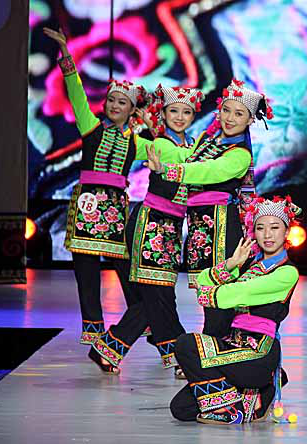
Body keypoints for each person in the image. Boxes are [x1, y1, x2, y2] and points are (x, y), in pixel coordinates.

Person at [43, 28, 195, 347]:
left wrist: (152, 126)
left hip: (115, 209)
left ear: (131, 110)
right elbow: (77, 94)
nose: (114, 105)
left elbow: (165, 150)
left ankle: (145, 320)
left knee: (127, 269)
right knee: (86, 271)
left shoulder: (136, 143)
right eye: (111, 99)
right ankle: (93, 327)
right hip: (87, 206)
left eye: (122, 102)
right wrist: (66, 54)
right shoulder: (91, 129)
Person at [89, 85, 204, 376]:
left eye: (186, 112)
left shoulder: (190, 144)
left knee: (158, 296)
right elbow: (183, 163)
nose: (179, 117)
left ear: (193, 116)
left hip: (171, 227)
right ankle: (180, 355)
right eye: (173, 110)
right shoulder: (162, 144)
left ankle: (109, 348)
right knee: (157, 295)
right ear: (163, 113)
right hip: (151, 224)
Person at [169, 196, 300, 425]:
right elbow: (202, 280)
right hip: (233, 348)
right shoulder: (249, 266)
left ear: (287, 232)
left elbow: (239, 293)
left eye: (274, 227)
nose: (267, 235)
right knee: (181, 408)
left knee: (186, 344)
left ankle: (230, 409)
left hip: (258, 354)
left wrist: (208, 294)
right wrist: (232, 263)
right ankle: (257, 397)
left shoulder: (287, 272)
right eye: (260, 228)